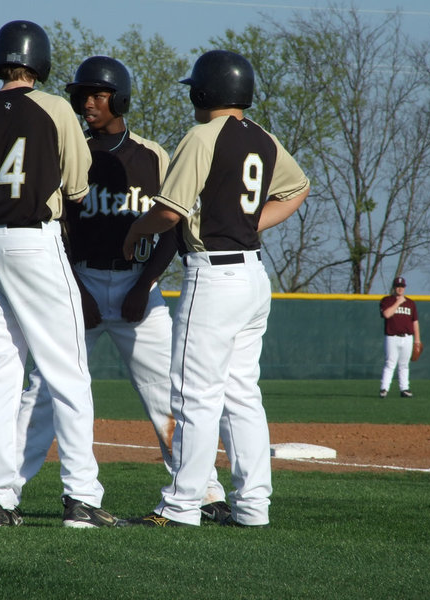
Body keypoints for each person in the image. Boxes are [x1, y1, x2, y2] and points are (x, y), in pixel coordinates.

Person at [13, 55, 230, 523]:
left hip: (138, 285)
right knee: (44, 390)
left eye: (98, 94)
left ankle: (205, 493)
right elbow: (57, 229)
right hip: (79, 281)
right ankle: (5, 490)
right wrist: (78, 289)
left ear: (121, 98)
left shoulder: (152, 155)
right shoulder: (70, 150)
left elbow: (174, 227)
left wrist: (145, 283)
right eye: (82, 94)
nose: (87, 102)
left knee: (167, 395)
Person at [0, 20, 118, 528]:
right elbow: (78, 189)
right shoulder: (57, 108)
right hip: (35, 239)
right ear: (40, 63)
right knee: (67, 371)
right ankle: (80, 496)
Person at [118, 50, 310, 528]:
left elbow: (169, 212)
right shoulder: (263, 139)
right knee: (242, 394)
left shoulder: (202, 136)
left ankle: (180, 506)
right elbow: (298, 188)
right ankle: (253, 507)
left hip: (214, 276)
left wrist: (134, 231)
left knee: (194, 396)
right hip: (252, 275)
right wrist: (252, 225)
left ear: (206, 92)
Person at [379, 276, 421, 398]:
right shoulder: (386, 300)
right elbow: (387, 314)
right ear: (394, 287)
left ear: (405, 288)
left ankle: (404, 389)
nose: (400, 288)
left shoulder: (411, 303)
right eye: (398, 286)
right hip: (392, 337)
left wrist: (417, 340)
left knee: (404, 365)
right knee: (390, 363)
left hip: (408, 337)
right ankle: (384, 388)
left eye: (402, 286)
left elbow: (415, 322)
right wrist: (398, 302)